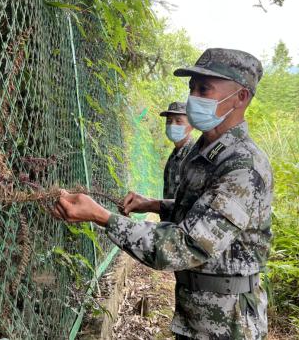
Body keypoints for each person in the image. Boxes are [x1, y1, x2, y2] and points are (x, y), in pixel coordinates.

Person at [52, 48, 273, 339]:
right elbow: (200, 209)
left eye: (204, 89)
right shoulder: (205, 149)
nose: (193, 97)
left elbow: (182, 246)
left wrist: (102, 217)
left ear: (241, 97)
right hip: (198, 311)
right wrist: (154, 204)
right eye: (192, 87)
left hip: (229, 322)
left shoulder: (244, 166)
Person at [161, 101, 195, 202]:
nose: (172, 125)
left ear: (192, 125)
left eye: (178, 121)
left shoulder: (194, 156)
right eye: (169, 121)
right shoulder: (173, 156)